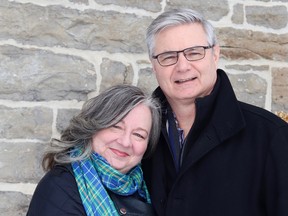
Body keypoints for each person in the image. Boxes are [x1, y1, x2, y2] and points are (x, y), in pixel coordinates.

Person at [141, 8, 288, 216]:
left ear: (215, 54)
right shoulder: (137, 136)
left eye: (194, 52)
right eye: (168, 57)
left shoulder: (272, 136)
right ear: (154, 65)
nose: (182, 66)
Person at [27, 84, 161, 216]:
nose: (125, 142)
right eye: (116, 126)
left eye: (139, 135)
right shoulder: (59, 187)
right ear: (94, 127)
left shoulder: (148, 188)